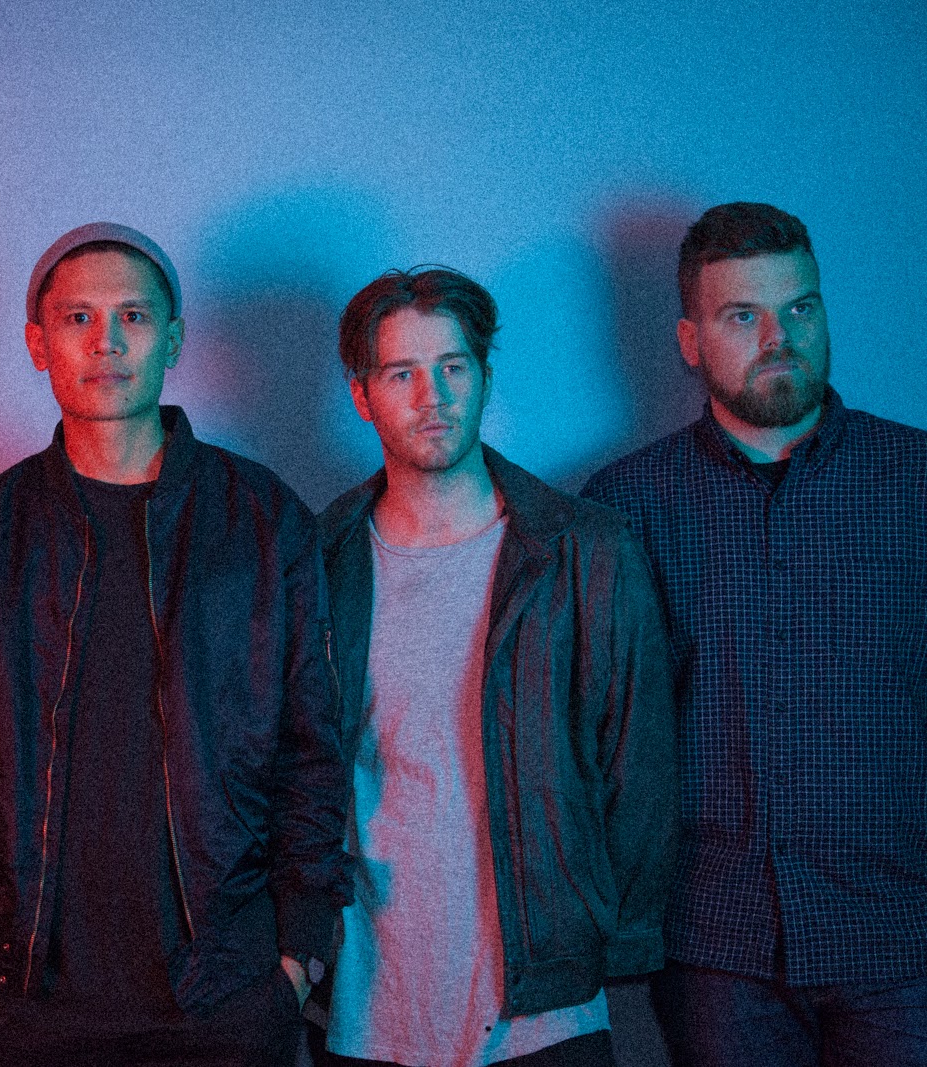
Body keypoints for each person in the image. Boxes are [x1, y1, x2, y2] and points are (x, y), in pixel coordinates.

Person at [0, 222, 352, 1066]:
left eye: (133, 317)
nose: (106, 341)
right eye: (79, 317)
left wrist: (297, 956)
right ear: (38, 343)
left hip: (225, 997)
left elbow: (312, 749)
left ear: (172, 340)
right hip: (26, 1003)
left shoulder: (263, 521)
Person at [582, 202, 927, 1066]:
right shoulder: (626, 506)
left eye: (800, 308)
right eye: (743, 316)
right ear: (690, 340)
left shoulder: (921, 482)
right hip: (717, 948)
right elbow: (600, 731)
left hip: (903, 937)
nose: (780, 338)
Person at [315, 268, 677, 1067]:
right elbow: (288, 776)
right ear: (361, 395)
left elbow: (640, 771)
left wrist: (609, 940)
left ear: (484, 376)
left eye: (453, 366)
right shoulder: (317, 562)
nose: (432, 395)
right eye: (401, 373)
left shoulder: (585, 551)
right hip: (370, 1006)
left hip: (546, 1010)